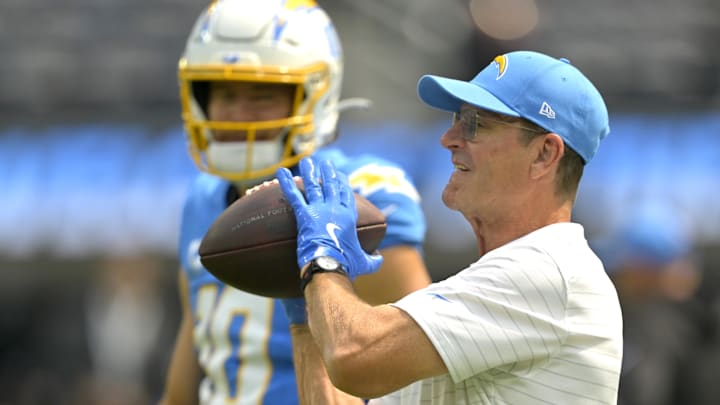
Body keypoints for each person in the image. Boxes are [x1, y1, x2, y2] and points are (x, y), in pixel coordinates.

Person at [276, 50, 624, 404]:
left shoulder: (548, 270)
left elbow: (353, 355)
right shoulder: (511, 282)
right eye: (457, 118)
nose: (449, 138)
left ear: (544, 155)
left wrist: (323, 262)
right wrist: (307, 318)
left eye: (476, 124)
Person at [159, 1, 431, 404]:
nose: (238, 114)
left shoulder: (360, 191)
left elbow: (419, 363)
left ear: (312, 98)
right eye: (224, 94)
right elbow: (194, 357)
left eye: (262, 95)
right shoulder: (202, 199)